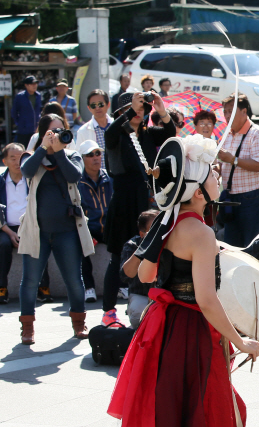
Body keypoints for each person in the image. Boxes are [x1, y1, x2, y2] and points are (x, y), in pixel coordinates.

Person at [108, 134, 259, 425]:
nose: (218, 176)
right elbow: (206, 299)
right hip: (192, 330)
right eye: (212, 174)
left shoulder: (168, 221)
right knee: (199, 407)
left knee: (169, 404)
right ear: (199, 192)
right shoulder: (201, 232)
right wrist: (241, 342)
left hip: (164, 324)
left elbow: (145, 275)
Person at [18, 114, 94, 345]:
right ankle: (27, 328)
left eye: (61, 130)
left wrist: (59, 151)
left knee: (74, 279)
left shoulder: (71, 156)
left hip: (66, 230)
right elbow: (26, 171)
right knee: (30, 280)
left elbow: (74, 176)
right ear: (42, 134)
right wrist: (43, 148)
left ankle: (79, 324)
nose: (57, 135)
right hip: (37, 230)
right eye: (52, 132)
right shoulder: (32, 157)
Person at [102, 92, 176, 327]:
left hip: (147, 200)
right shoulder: (116, 134)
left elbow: (170, 133)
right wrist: (132, 108)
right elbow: (112, 132)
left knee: (154, 253)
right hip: (123, 202)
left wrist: (161, 110)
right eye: (134, 108)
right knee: (117, 259)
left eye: (143, 107)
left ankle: (150, 302)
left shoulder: (147, 134)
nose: (140, 111)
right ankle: (108, 311)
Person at [217, 94, 259, 248]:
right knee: (231, 245)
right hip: (230, 197)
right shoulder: (227, 133)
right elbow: (225, 163)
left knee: (251, 244)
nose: (227, 115)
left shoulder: (257, 133)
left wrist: (233, 159)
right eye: (225, 111)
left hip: (251, 197)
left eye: (230, 111)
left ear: (244, 111)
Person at [78, 140, 113, 303]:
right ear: (82, 159)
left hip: (109, 226)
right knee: (79, 243)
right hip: (88, 227)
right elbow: (76, 211)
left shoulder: (110, 177)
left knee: (124, 243)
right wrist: (85, 232)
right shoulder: (77, 181)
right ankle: (88, 287)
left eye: (98, 153)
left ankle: (121, 286)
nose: (95, 158)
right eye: (90, 155)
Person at [119, 209, 159, 328]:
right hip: (141, 294)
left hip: (164, 294)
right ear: (142, 233)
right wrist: (144, 247)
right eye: (154, 229)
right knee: (139, 314)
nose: (159, 232)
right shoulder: (132, 245)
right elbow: (126, 276)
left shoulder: (172, 242)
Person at [0, 143, 27, 303]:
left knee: (39, 242)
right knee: (2, 245)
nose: (18, 162)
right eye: (13, 158)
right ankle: (2, 287)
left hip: (28, 226)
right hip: (4, 228)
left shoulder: (32, 179)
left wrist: (25, 231)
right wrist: (10, 233)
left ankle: (43, 287)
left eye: (21, 158)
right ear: (5, 161)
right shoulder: (1, 181)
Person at [76, 89, 112, 169]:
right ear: (89, 108)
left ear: (108, 105)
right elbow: (79, 158)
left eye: (100, 104)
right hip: (96, 178)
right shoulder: (83, 131)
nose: (97, 108)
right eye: (93, 105)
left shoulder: (118, 126)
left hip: (118, 176)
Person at [11, 75, 42, 147]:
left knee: (35, 149)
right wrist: (19, 123)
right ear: (26, 85)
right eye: (32, 84)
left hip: (35, 128)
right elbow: (14, 111)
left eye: (36, 83)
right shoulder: (20, 96)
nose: (35, 86)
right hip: (23, 130)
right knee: (23, 148)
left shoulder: (38, 95)